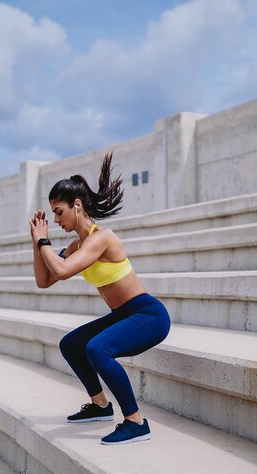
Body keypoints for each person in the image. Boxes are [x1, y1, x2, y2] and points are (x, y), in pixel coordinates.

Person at [29, 152, 171, 445]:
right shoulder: (76, 245)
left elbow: (63, 271)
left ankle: (135, 422)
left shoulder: (101, 238)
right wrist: (36, 244)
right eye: (53, 214)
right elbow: (45, 280)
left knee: (97, 348)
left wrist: (44, 242)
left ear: (76, 206)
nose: (55, 219)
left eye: (59, 212)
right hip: (123, 315)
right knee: (72, 344)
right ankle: (101, 406)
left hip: (147, 315)